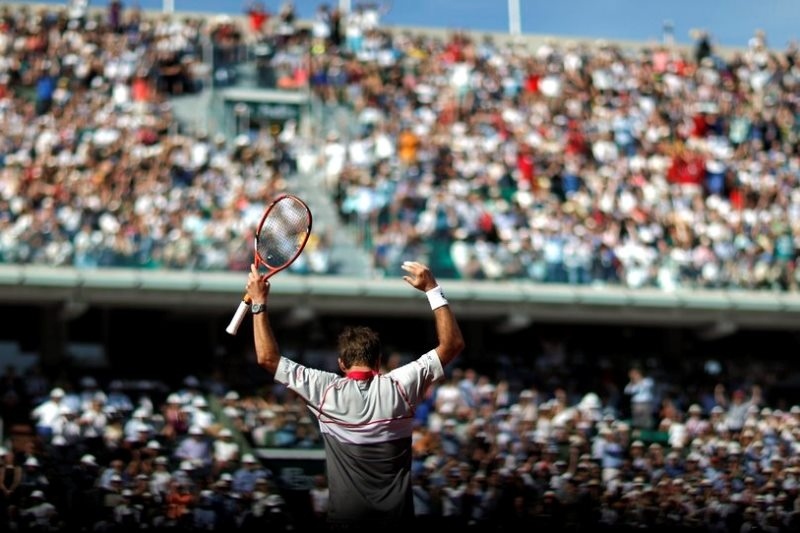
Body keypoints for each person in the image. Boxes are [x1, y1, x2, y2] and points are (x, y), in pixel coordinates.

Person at [244, 260, 465, 532]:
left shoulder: (324, 390)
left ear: (341, 363)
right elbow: (452, 345)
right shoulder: (401, 386)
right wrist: (432, 288)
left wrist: (258, 302)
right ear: (379, 360)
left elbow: (267, 358)